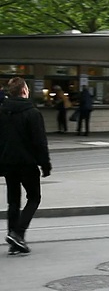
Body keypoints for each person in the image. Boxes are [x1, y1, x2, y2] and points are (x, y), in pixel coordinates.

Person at [0, 77, 52, 255]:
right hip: (27, 164)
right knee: (34, 197)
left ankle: (14, 242)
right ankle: (18, 234)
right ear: (24, 91)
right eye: (27, 88)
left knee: (13, 202)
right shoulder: (32, 113)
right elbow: (39, 142)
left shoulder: (2, 111)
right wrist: (45, 165)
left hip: (8, 163)